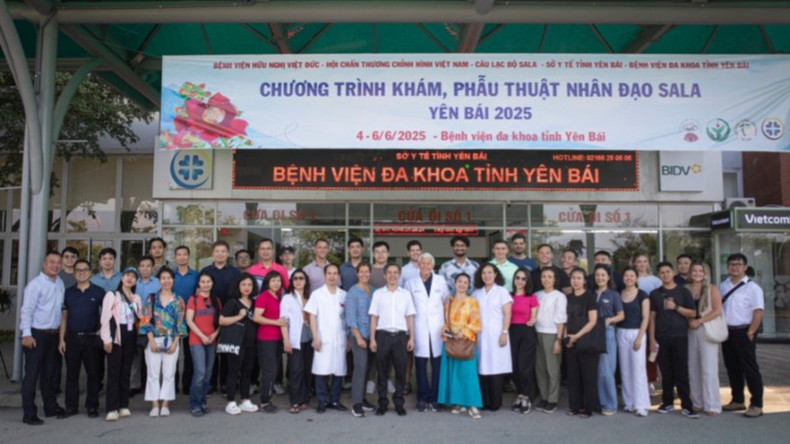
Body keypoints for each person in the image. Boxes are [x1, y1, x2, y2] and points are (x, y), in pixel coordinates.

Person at [19, 251, 67, 425]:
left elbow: (61, 310)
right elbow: (27, 310)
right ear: (44, 264)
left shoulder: (59, 283)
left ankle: (50, 406)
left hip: (53, 335)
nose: (55, 265)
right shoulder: (35, 285)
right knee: (31, 375)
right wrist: (26, 334)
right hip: (36, 334)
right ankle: (29, 412)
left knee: (49, 374)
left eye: (58, 263)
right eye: (52, 262)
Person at [649, 262, 697, 418]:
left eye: (668, 271)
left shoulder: (683, 292)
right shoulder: (655, 294)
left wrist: (675, 307)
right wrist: (651, 339)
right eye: (662, 272)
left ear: (673, 272)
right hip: (662, 338)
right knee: (666, 373)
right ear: (658, 275)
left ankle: (687, 406)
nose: (665, 275)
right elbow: (652, 318)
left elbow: (692, 313)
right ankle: (667, 402)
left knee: (681, 372)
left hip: (679, 337)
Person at [719, 253, 765, 418]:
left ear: (745, 267)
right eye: (731, 264)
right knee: (732, 368)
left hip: (745, 331)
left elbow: (758, 311)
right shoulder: (723, 285)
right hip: (728, 332)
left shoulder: (753, 288)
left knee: (750, 368)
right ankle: (737, 400)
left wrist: (751, 331)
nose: (734, 267)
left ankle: (757, 404)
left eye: (738, 264)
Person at [58, 259, 104, 418]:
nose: (81, 273)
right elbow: (64, 317)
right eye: (78, 270)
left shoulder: (99, 292)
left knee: (93, 375)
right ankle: (71, 407)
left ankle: (92, 406)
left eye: (85, 270)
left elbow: (106, 317)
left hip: (92, 339)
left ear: (90, 273)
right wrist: (61, 339)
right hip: (72, 338)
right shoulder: (68, 292)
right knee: (72, 375)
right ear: (74, 273)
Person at [140, 267, 187, 418]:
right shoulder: (151, 298)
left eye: (169, 278)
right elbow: (145, 320)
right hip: (153, 338)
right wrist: (151, 341)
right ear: (159, 280)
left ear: (173, 280)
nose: (166, 281)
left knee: (169, 373)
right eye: (163, 278)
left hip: (172, 339)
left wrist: (175, 343)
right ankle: (154, 404)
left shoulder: (178, 300)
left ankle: (165, 404)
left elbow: (180, 323)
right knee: (153, 373)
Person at [404, 252, 449, 412]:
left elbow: (446, 302)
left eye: (428, 264)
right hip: (419, 327)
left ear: (433, 266)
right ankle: (422, 397)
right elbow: (407, 307)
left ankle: (435, 398)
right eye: (423, 263)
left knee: (437, 364)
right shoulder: (410, 283)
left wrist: (446, 324)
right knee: (421, 364)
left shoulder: (440, 281)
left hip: (437, 328)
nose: (425, 266)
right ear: (419, 265)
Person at [369, 263, 415, 416]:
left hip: (401, 337)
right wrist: (372, 339)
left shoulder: (405, 294)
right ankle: (382, 403)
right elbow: (374, 317)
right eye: (389, 272)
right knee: (382, 372)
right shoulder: (378, 294)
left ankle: (399, 403)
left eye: (395, 272)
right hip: (382, 336)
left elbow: (410, 317)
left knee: (400, 372)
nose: (392, 275)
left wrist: (411, 338)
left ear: (399, 275)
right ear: (384, 275)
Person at [437, 273, 483, 419]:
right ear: (455, 283)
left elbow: (476, 323)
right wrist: (445, 328)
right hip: (451, 341)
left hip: (465, 341)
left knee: (468, 374)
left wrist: (462, 332)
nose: (462, 284)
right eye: (459, 281)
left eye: (465, 282)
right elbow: (446, 320)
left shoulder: (472, 301)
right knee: (454, 373)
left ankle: (473, 405)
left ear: (468, 285)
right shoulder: (448, 301)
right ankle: (459, 402)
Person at [100, 267, 143, 422]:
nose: (130, 278)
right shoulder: (112, 295)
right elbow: (105, 319)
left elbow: (139, 318)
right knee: (114, 373)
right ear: (121, 277)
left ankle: (124, 405)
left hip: (131, 336)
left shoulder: (136, 298)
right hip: (116, 336)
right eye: (127, 275)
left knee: (126, 372)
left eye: (133, 276)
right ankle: (112, 408)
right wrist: (107, 340)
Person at [305, 264, 349, 412]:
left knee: (339, 370)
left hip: (340, 338)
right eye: (329, 273)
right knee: (321, 370)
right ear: (324, 276)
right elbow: (312, 316)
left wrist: (348, 338)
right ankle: (322, 401)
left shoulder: (344, 295)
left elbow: (347, 319)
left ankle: (335, 401)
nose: (332, 276)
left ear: (338, 276)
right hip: (322, 337)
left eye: (335, 273)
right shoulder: (317, 294)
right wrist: (315, 337)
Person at [201, 241, 241, 394]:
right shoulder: (205, 271)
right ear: (212, 254)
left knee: (225, 350)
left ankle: (225, 383)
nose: (220, 254)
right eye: (217, 251)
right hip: (209, 313)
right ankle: (210, 383)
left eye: (223, 251)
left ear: (228, 253)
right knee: (210, 350)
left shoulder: (235, 272)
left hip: (229, 315)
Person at [472, 263, 513, 412]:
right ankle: (485, 401)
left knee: (496, 368)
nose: (487, 275)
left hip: (497, 335)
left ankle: (495, 402)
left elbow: (508, 314)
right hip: (481, 335)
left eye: (490, 272)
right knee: (482, 368)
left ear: (495, 274)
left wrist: (504, 332)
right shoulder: (477, 293)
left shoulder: (502, 291)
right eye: (484, 273)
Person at [686, 262, 723, 416]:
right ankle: (697, 402)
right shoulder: (686, 289)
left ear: (705, 273)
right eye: (694, 270)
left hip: (706, 329)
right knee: (693, 368)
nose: (697, 273)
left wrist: (699, 321)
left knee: (709, 369)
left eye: (701, 271)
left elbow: (717, 311)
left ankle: (713, 404)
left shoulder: (712, 289)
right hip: (689, 330)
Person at [220, 274, 259, 415]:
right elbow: (222, 320)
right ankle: (230, 402)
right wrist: (239, 316)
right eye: (244, 285)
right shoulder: (232, 303)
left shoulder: (254, 303)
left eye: (249, 285)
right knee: (233, 372)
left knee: (247, 372)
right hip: (236, 343)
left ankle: (245, 400)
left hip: (251, 343)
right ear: (238, 286)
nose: (247, 287)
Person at [564, 267, 600, 418]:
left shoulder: (590, 297)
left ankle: (588, 408)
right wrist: (566, 338)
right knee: (573, 376)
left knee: (588, 376)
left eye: (579, 278)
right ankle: (575, 406)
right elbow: (564, 319)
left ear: (584, 280)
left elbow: (592, 321)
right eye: (573, 278)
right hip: (570, 341)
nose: (576, 281)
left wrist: (576, 336)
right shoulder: (568, 298)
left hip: (586, 340)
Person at [185, 271, 221, 417]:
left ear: (212, 283)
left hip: (212, 340)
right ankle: (195, 403)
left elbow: (220, 321)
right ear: (199, 284)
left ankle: (203, 402)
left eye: (208, 281)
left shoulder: (216, 300)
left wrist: (214, 334)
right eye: (203, 282)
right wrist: (202, 336)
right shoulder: (193, 299)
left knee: (208, 374)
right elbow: (189, 321)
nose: (206, 284)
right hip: (196, 340)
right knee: (199, 373)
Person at [617, 267, 651, 417]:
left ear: (636, 278)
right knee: (625, 369)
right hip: (621, 332)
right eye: (626, 275)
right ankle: (629, 402)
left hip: (637, 332)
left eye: (632, 275)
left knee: (638, 369)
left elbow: (646, 318)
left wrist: (639, 338)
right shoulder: (619, 294)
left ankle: (641, 404)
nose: (629, 278)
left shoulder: (642, 295)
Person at [253, 270, 288, 413]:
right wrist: (276, 322)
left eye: (278, 281)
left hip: (277, 339)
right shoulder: (263, 297)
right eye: (273, 280)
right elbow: (256, 317)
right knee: (269, 370)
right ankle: (264, 401)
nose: (276, 283)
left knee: (274, 370)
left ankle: (268, 398)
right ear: (267, 282)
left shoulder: (278, 296)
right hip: (266, 339)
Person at [534, 267, 567, 414]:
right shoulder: (537, 295)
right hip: (537, 333)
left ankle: (552, 399)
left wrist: (558, 340)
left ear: (554, 279)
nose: (546, 279)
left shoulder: (559, 296)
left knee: (552, 369)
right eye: (544, 277)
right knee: (540, 368)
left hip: (552, 334)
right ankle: (544, 396)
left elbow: (561, 320)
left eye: (549, 277)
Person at [280, 269, 314, 414]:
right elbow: (283, 321)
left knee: (307, 369)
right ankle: (294, 401)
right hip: (295, 339)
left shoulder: (311, 297)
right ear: (291, 282)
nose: (298, 281)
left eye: (301, 278)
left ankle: (304, 399)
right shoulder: (287, 298)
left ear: (306, 281)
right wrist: (286, 340)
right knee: (296, 370)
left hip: (310, 338)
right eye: (295, 279)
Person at [593, 264, 624, 415]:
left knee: (606, 370)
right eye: (597, 275)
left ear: (608, 277)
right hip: (592, 333)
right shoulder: (591, 293)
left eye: (603, 275)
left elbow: (621, 315)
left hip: (607, 332)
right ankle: (600, 402)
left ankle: (610, 404)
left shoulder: (613, 294)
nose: (600, 278)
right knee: (597, 370)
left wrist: (610, 320)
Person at [345, 263, 376, 417]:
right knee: (360, 368)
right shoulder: (353, 291)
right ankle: (356, 404)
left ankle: (363, 399)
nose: (364, 274)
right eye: (361, 271)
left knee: (368, 369)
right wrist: (357, 336)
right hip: (360, 335)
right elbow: (350, 317)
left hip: (372, 336)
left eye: (367, 271)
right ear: (357, 274)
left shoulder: (374, 291)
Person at [509, 267, 539, 414]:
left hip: (526, 332)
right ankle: (520, 395)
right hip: (512, 332)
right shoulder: (508, 296)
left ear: (527, 281)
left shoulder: (531, 296)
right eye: (517, 278)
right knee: (514, 366)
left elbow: (534, 316)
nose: (520, 281)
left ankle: (527, 396)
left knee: (524, 367)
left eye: (523, 278)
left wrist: (532, 320)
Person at [172, 246, 199, 395]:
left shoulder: (195, 275)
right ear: (175, 257)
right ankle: (173, 385)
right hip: (172, 319)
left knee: (189, 354)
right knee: (173, 353)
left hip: (190, 319)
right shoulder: (170, 275)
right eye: (179, 254)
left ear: (189, 257)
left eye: (184, 254)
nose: (182, 257)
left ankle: (187, 384)